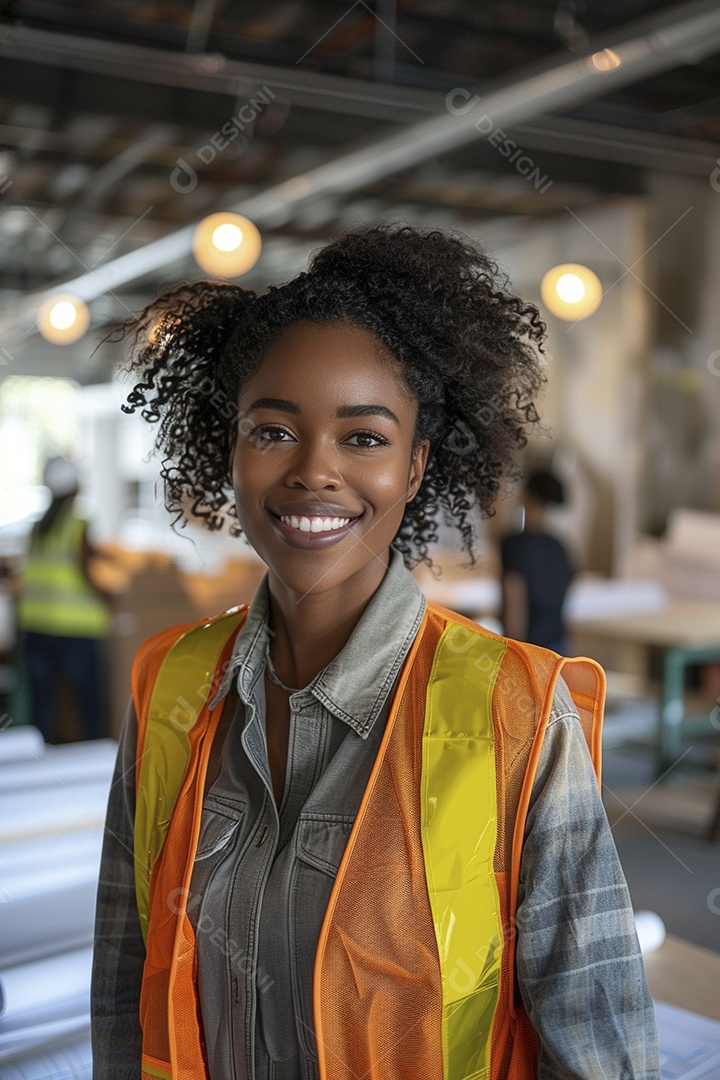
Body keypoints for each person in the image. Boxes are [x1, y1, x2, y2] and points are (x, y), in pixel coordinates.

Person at [92, 225, 659, 1080]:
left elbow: (600, 1047)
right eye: (273, 431)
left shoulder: (515, 712)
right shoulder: (170, 685)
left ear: (418, 463)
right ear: (230, 449)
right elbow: (124, 985)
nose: (315, 472)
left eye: (364, 437)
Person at [16, 456, 110, 741]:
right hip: (75, 629)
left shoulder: (38, 527)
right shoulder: (77, 523)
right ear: (74, 488)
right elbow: (85, 570)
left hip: (35, 626)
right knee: (89, 704)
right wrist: (111, 598)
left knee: (41, 706)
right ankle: (97, 761)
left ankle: (39, 766)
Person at [500, 469, 574, 653]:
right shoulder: (560, 547)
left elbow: (515, 602)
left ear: (526, 495)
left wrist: (513, 653)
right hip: (558, 647)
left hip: (529, 650)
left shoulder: (514, 545)